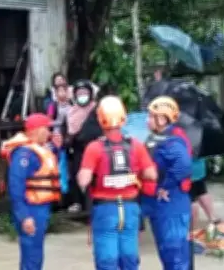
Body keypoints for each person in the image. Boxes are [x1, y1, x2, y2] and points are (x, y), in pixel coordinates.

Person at [77, 96, 157, 270]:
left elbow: (84, 180)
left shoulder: (94, 148)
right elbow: (151, 174)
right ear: (123, 118)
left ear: (100, 119)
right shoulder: (136, 145)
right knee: (129, 255)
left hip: (105, 208)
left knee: (107, 257)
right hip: (130, 208)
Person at [4, 113, 63, 270]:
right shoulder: (24, 154)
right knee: (32, 254)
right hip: (31, 209)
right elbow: (16, 187)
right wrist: (24, 216)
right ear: (37, 130)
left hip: (40, 208)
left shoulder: (38, 150)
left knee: (35, 253)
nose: (49, 133)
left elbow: (45, 168)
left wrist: (57, 149)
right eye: (47, 129)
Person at [141, 96, 193, 270]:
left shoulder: (173, 141)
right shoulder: (156, 138)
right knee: (166, 253)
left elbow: (184, 165)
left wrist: (166, 186)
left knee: (175, 255)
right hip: (159, 203)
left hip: (172, 203)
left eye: (151, 116)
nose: (147, 120)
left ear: (163, 119)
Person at [65, 80, 98, 212]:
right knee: (76, 173)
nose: (82, 96)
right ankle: (78, 202)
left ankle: (95, 201)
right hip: (78, 148)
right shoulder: (71, 112)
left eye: (85, 93)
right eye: (79, 93)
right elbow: (69, 132)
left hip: (95, 147)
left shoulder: (96, 109)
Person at [190, 158, 219, 230]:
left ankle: (191, 229)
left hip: (186, 172)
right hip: (200, 169)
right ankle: (212, 218)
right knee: (202, 192)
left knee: (191, 201)